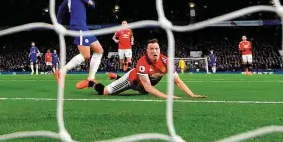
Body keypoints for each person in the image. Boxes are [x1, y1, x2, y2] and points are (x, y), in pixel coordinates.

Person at [76, 38, 206, 99]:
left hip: (142, 86)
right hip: (131, 80)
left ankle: (115, 77)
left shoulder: (166, 62)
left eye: (157, 48)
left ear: (160, 50)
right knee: (105, 92)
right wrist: (167, 96)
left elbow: (177, 81)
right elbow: (149, 87)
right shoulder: (142, 63)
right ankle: (91, 82)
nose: (154, 51)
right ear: (147, 51)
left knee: (144, 91)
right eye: (151, 49)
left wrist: (192, 95)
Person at [56, 0, 103, 87]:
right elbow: (92, 4)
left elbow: (61, 9)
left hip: (82, 26)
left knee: (99, 50)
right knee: (86, 55)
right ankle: (61, 72)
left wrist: (58, 22)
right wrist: (90, 2)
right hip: (79, 26)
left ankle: (90, 79)